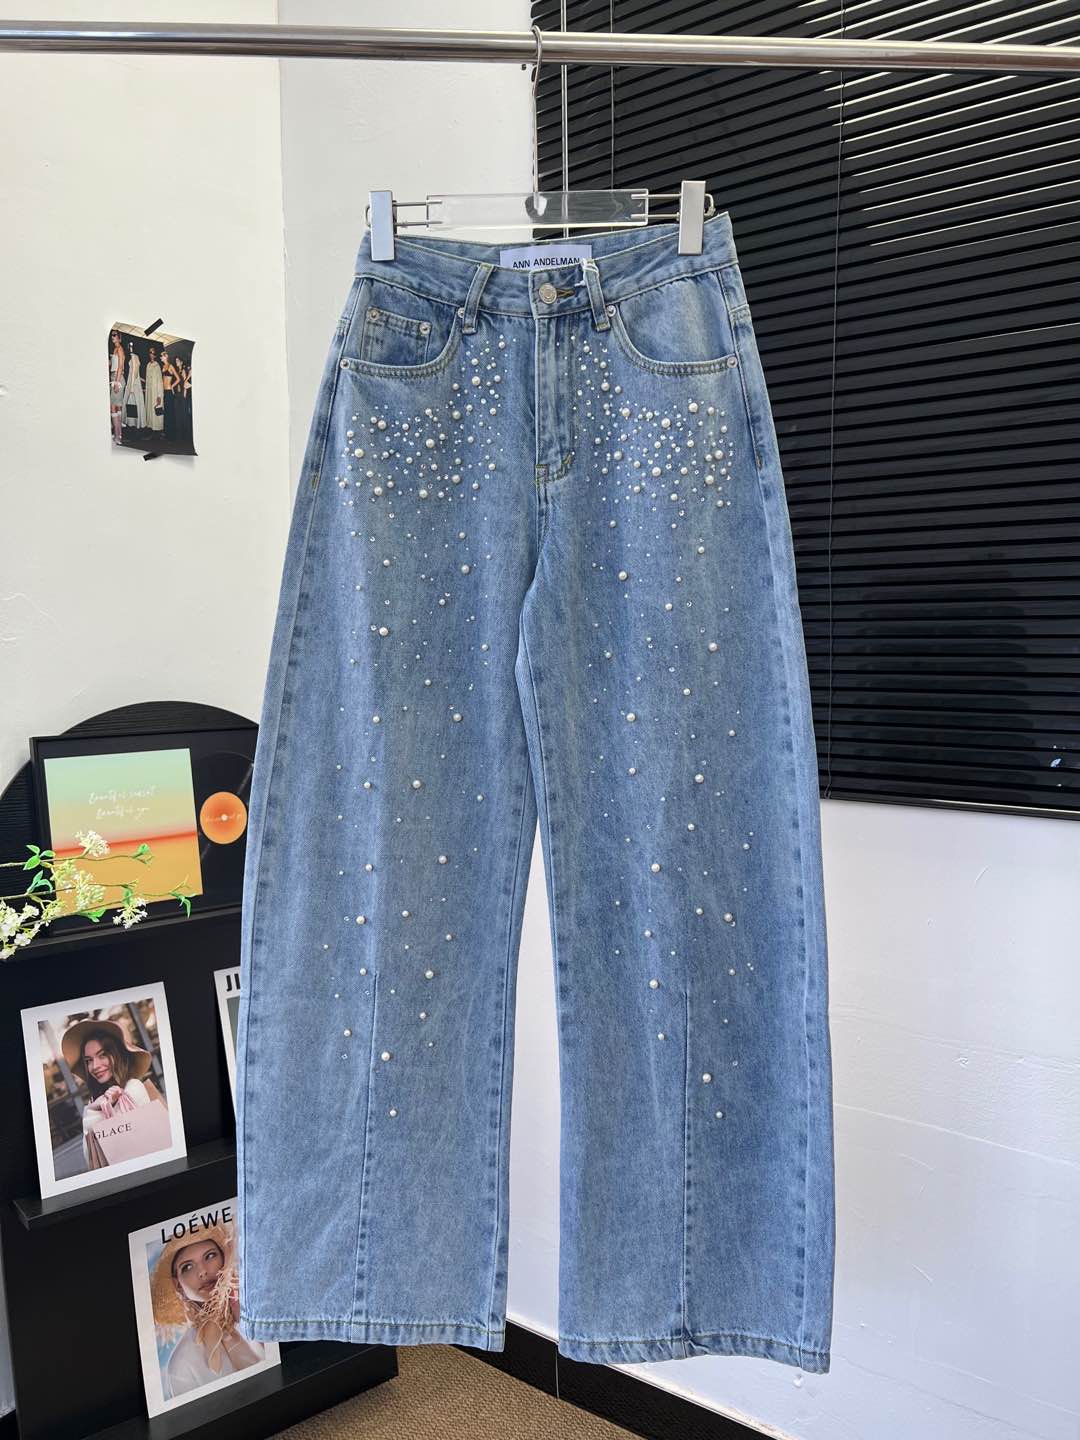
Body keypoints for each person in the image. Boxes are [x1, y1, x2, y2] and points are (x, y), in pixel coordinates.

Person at [149, 1224, 265, 1399]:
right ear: (177, 1284)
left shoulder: (258, 1305)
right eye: (187, 1267)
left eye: (210, 1256)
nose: (203, 1271)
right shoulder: (181, 1364)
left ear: (224, 1257)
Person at [60, 1017, 166, 1170]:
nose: (95, 1066)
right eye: (89, 1060)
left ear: (117, 1054)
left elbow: (126, 1148)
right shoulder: (95, 1101)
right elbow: (92, 1158)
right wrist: (96, 1108)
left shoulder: (132, 1088)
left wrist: (98, 1111)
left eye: (102, 1055)